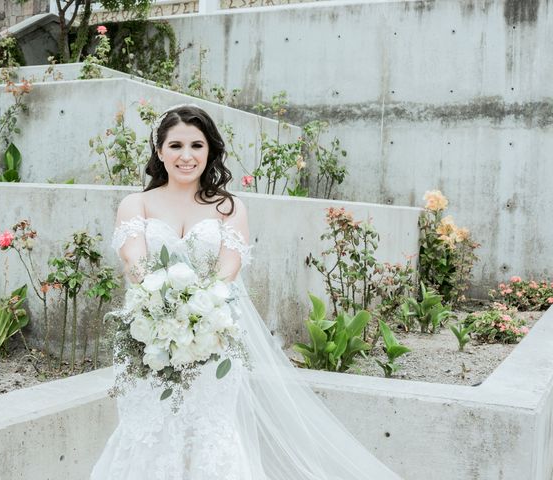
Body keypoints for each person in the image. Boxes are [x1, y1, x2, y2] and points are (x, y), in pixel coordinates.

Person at [90, 104, 402, 479]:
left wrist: (199, 319)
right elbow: (134, 264)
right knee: (149, 427)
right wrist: (164, 316)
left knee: (210, 433)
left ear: (210, 151)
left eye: (196, 146)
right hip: (146, 340)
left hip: (214, 337)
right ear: (159, 151)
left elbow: (228, 268)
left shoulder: (228, 206)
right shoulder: (136, 203)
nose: (186, 156)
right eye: (175, 146)